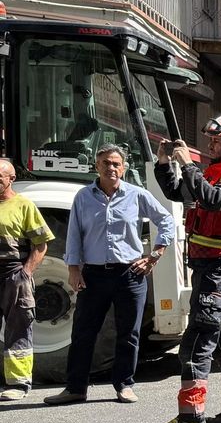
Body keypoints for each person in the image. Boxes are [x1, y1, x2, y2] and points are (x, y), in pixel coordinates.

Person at [147, 115, 221, 423]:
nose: (210, 146)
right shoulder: (212, 174)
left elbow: (213, 199)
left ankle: (190, 417)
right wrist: (165, 161)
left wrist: (188, 164)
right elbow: (177, 191)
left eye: (216, 141)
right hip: (207, 268)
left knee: (197, 340)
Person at [43, 145, 175, 406]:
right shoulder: (83, 197)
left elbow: (166, 221)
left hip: (130, 275)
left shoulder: (137, 195)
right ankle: (75, 388)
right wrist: (73, 269)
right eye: (105, 163)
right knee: (83, 333)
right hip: (93, 276)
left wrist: (154, 255)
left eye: (116, 163)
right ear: (97, 166)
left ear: (123, 168)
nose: (110, 168)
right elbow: (74, 235)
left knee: (129, 333)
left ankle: (124, 385)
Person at [0, 158, 55, 402]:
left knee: (18, 329)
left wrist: (25, 273)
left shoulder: (24, 206)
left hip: (13, 275)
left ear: (11, 179)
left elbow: (40, 244)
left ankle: (18, 383)